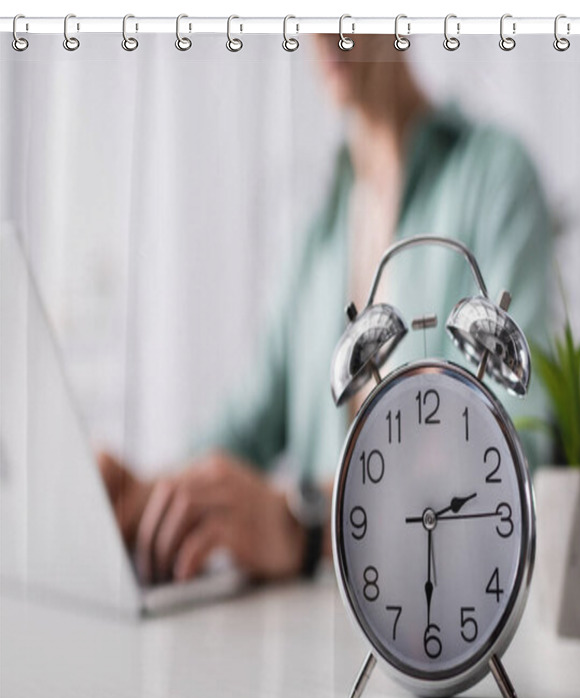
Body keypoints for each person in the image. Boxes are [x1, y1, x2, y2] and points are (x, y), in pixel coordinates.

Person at [99, 35, 552, 586]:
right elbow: (246, 426)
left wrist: (306, 524)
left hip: (438, 607)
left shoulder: (492, 177)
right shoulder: (319, 238)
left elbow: (523, 448)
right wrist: (149, 497)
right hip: (312, 634)